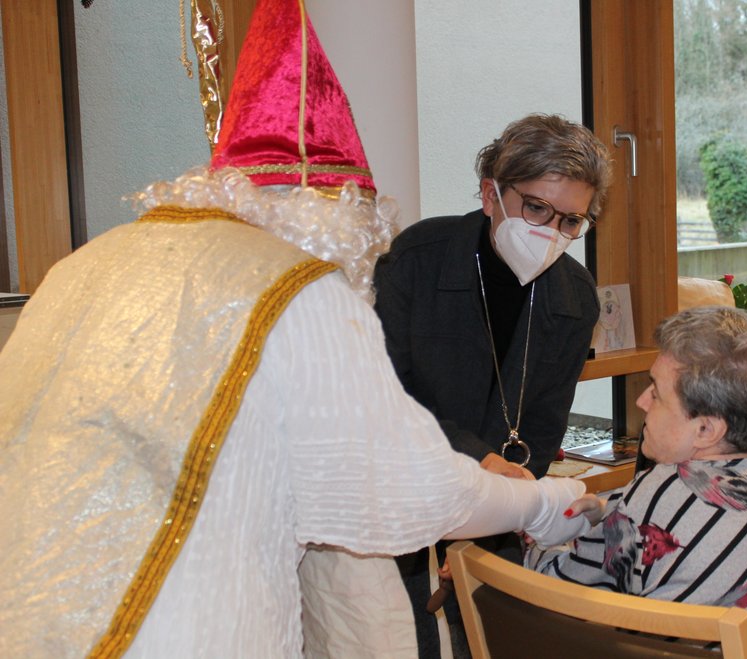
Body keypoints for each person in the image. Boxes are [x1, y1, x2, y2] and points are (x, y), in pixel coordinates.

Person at [0, 1, 593, 657]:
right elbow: (399, 481)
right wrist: (536, 506)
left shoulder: (85, 265)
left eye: (570, 221)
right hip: (175, 614)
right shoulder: (300, 288)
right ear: (334, 211)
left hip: (28, 595)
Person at [372, 113, 611, 656]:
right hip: (402, 485)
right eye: (536, 208)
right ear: (490, 194)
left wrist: (502, 510)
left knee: (491, 633)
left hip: (501, 501)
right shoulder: (416, 260)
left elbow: (545, 427)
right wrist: (476, 462)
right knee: (406, 637)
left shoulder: (574, 295)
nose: (551, 232)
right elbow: (387, 393)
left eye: (571, 221)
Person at [527, 306, 747, 658]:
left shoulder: (655, 496)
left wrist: (527, 525)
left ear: (707, 429)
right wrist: (607, 512)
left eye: (655, 392)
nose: (641, 401)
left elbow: (551, 590)